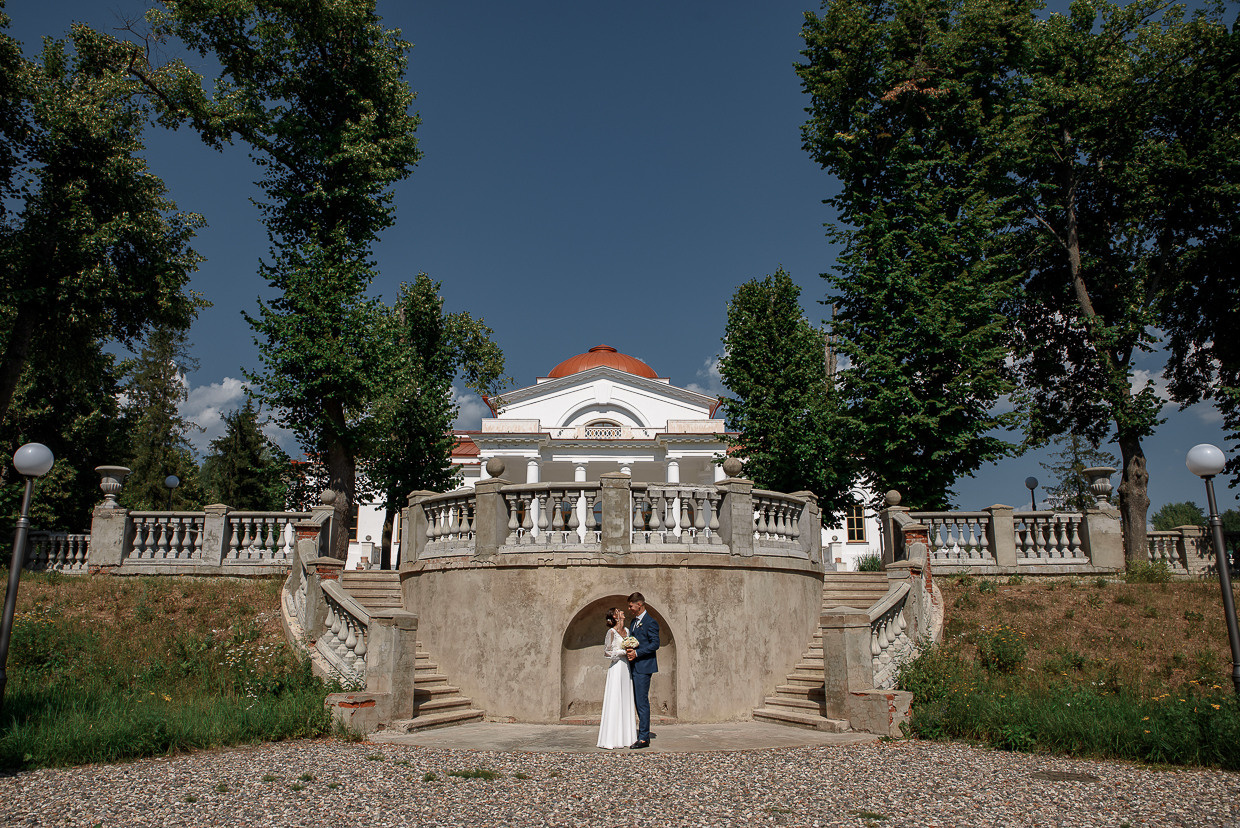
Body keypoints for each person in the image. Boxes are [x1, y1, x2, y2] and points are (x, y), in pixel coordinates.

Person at [596, 607, 637, 749]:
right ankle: (612, 738)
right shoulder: (611, 632)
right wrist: (622, 651)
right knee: (615, 698)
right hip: (617, 667)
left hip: (626, 668)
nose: (623, 612)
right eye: (619, 611)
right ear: (615, 616)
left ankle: (627, 737)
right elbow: (607, 652)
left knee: (625, 698)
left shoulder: (627, 630)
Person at [625, 591, 659, 749]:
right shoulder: (633, 622)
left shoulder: (651, 622)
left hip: (643, 667)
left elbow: (654, 644)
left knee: (642, 702)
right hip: (632, 666)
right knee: (635, 701)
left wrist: (637, 653)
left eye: (631, 606)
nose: (629, 608)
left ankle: (644, 737)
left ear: (639, 604)